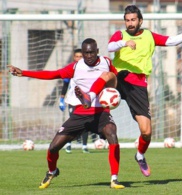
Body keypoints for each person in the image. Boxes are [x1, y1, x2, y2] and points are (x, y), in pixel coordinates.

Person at [8, 38, 125, 189]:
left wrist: (116, 95)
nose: (89, 55)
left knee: (112, 134)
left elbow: (115, 80)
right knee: (53, 148)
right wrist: (23, 73)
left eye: (92, 52)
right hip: (80, 113)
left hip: (100, 112)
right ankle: (52, 171)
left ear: (97, 51)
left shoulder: (106, 62)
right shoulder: (76, 67)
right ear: (82, 53)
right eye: (86, 53)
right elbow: (53, 74)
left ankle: (114, 178)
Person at [106, 5, 182, 177]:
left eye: (133, 20)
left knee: (147, 131)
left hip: (137, 85)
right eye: (127, 20)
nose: (130, 23)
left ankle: (140, 155)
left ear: (140, 20)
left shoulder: (149, 36)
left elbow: (173, 40)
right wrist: (124, 43)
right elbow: (111, 47)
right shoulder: (121, 35)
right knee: (106, 74)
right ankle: (88, 106)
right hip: (118, 77)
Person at [59, 48, 95, 154]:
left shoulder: (88, 68)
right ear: (74, 57)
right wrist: (61, 99)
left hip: (84, 100)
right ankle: (68, 144)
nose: (78, 58)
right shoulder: (71, 69)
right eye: (77, 56)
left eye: (80, 56)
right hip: (72, 100)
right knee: (72, 121)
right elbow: (65, 84)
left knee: (86, 122)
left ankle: (84, 146)